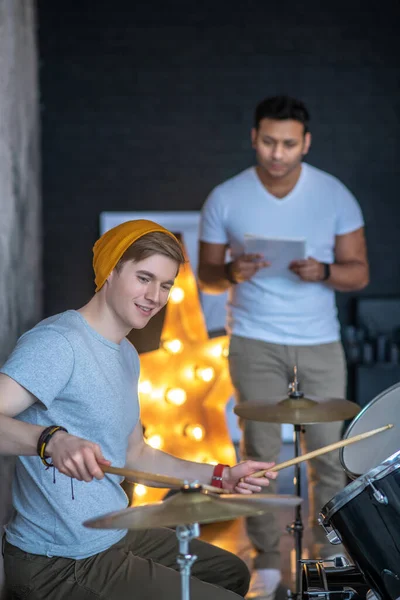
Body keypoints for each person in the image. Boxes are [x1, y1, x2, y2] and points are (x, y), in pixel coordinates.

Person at [0, 219, 279, 600]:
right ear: (111, 272)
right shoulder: (58, 342)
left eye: (166, 284)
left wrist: (222, 476)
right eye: (144, 278)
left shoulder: (127, 355)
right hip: (60, 561)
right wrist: (51, 441)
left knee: (229, 572)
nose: (155, 296)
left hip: (112, 530)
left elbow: (136, 455)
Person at [198, 95, 369, 599]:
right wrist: (231, 271)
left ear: (306, 143)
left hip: (318, 340)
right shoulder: (225, 197)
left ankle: (329, 558)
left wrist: (323, 272)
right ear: (254, 138)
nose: (277, 153)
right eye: (268, 141)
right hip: (253, 337)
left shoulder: (334, 194)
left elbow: (359, 273)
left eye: (288, 144)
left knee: (328, 457)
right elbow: (207, 277)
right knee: (259, 457)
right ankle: (267, 559)